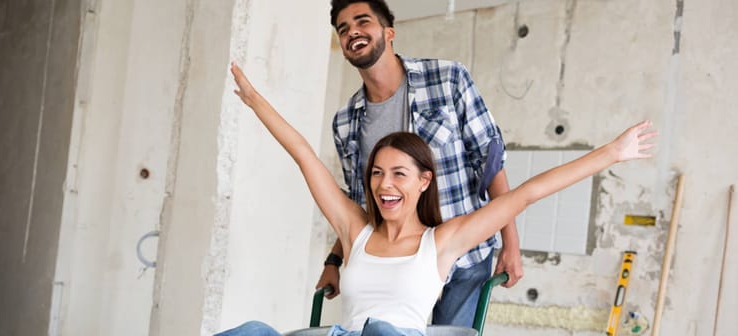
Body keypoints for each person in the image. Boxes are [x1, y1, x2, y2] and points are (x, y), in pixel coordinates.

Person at [216, 62, 656, 336]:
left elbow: (527, 193)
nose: (384, 184)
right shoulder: (355, 231)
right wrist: (254, 101)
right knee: (251, 331)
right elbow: (303, 155)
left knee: (384, 333)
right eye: (376, 174)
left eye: (399, 174)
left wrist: (612, 153)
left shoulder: (442, 242)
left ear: (424, 182)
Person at [319, 0, 523, 326]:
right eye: (343, 29)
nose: (352, 32)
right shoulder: (345, 123)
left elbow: (490, 161)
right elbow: (359, 203)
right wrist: (334, 259)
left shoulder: (447, 80)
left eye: (362, 22)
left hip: (462, 252)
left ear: (389, 32)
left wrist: (510, 243)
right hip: (396, 258)